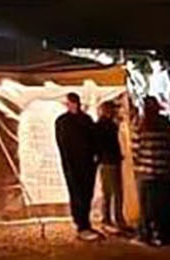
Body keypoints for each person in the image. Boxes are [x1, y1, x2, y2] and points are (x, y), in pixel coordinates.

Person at [132, 96, 170, 247]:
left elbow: (136, 149)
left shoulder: (142, 125)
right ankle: (165, 236)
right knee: (163, 205)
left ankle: (147, 235)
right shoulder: (167, 124)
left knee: (147, 207)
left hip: (146, 173)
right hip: (165, 173)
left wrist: (137, 165)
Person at [54, 92, 100, 240]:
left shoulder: (85, 120)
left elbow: (93, 140)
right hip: (72, 164)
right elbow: (62, 144)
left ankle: (84, 221)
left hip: (86, 164)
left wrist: (94, 158)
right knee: (77, 192)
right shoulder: (62, 121)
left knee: (86, 193)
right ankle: (81, 223)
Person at [93, 100, 127, 234]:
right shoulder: (108, 125)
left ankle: (108, 218)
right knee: (115, 192)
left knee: (109, 192)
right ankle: (115, 219)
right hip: (110, 161)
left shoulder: (101, 125)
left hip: (106, 161)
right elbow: (110, 144)